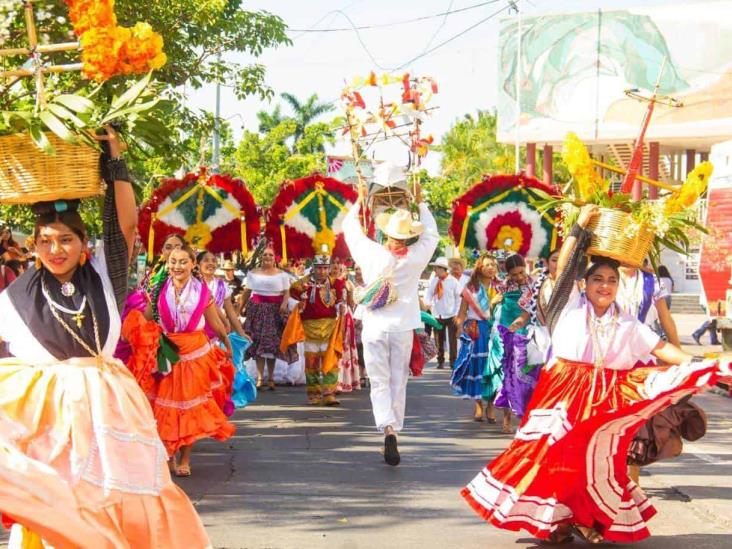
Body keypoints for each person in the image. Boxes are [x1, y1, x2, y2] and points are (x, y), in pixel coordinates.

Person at [461, 205, 729, 545]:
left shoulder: (627, 322)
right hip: (560, 393)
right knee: (550, 453)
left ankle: (587, 520)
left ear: (618, 287)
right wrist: (580, 226)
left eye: (612, 280)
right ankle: (556, 522)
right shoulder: (570, 304)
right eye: (598, 279)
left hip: (603, 399)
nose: (605, 285)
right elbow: (566, 263)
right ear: (584, 284)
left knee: (595, 461)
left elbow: (660, 349)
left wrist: (696, 364)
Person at [0, 128, 210, 547]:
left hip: (105, 409)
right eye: (44, 242)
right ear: (32, 246)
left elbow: (124, 226)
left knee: (110, 501)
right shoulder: (15, 295)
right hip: (48, 418)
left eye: (66, 240)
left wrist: (114, 158)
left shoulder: (103, 278)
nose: (54, 249)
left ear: (83, 246)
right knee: (54, 507)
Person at [343, 178, 439, 466]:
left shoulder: (371, 252)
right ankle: (393, 429)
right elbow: (432, 235)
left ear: (385, 233)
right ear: (408, 236)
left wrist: (360, 199)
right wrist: (421, 202)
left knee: (380, 381)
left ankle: (385, 426)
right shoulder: (415, 258)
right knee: (399, 381)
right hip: (402, 327)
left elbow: (350, 229)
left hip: (375, 325)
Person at [123, 244, 236, 478]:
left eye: (183, 261)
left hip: (195, 353)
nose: (177, 266)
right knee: (163, 407)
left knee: (189, 408)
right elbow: (145, 318)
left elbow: (214, 320)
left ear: (193, 264)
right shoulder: (158, 289)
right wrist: (133, 332)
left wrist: (227, 341)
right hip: (167, 352)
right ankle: (168, 455)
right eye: (173, 261)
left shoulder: (202, 291)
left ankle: (185, 458)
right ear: (167, 264)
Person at [485, 253, 535, 434]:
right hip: (505, 334)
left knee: (526, 376)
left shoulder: (534, 284)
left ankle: (526, 416)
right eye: (514, 274)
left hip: (527, 334)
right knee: (507, 374)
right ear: (508, 274)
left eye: (521, 272)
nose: (519, 277)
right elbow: (493, 310)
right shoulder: (502, 287)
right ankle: (507, 418)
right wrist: (493, 303)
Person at [198, 250, 254, 411]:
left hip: (216, 338)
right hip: (196, 336)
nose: (210, 263)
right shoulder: (192, 283)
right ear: (198, 264)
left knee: (215, 374)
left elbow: (230, 312)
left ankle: (211, 405)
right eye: (206, 260)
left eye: (213, 260)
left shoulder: (222, 286)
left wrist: (241, 332)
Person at [289, 251, 347, 405]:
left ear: (328, 268)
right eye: (319, 268)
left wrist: (342, 307)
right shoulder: (303, 283)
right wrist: (299, 304)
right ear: (313, 268)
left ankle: (329, 393)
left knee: (330, 362)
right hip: (310, 329)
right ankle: (314, 394)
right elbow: (292, 294)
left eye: (325, 268)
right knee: (312, 363)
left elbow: (341, 301)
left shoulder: (336, 283)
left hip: (329, 328)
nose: (322, 271)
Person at [452, 253, 499, 421]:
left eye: (493, 264)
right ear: (480, 267)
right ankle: (479, 405)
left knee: (493, 368)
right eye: (487, 264)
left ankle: (491, 406)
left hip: (495, 331)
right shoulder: (471, 288)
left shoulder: (500, 287)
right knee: (477, 367)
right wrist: (459, 328)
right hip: (475, 330)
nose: (491, 267)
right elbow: (463, 311)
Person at [240, 246, 295, 390]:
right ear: (261, 257)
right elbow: (247, 292)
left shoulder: (282, 275)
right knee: (258, 344)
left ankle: (270, 377)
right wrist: (239, 308)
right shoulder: (253, 273)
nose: (267, 257)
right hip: (257, 310)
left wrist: (284, 303)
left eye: (270, 255)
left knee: (271, 345)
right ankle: (259, 377)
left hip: (274, 311)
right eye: (265, 255)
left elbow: (286, 292)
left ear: (274, 258)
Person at [425, 256, 461, 369]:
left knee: (452, 340)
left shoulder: (453, 282)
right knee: (438, 339)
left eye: (437, 268)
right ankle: (440, 361)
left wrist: (456, 313)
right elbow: (429, 294)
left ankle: (453, 361)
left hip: (451, 315)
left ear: (443, 269)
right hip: (437, 314)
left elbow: (458, 298)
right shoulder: (434, 281)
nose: (435, 270)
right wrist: (428, 304)